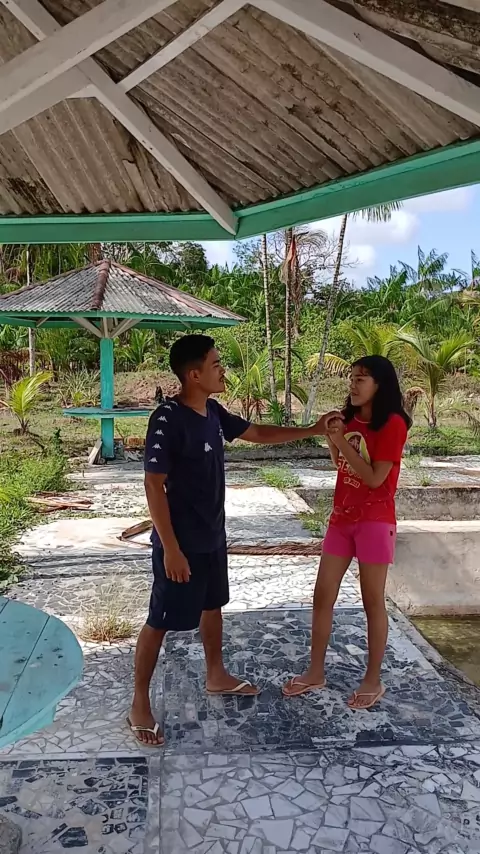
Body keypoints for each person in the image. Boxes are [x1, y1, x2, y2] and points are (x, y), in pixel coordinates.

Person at [128, 334, 342, 745]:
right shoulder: (167, 418)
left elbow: (256, 432)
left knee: (213, 607)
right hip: (180, 543)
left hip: (213, 536)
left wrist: (312, 429)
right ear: (194, 374)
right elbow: (153, 485)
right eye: (215, 364)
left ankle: (216, 674)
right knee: (160, 620)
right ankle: (139, 701)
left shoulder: (212, 411)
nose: (222, 369)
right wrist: (170, 548)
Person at [283, 355, 411, 710]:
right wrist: (333, 437)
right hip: (341, 519)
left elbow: (374, 478)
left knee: (372, 601)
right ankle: (315, 671)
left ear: (380, 384)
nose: (353, 384)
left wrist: (339, 441)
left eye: (361, 379)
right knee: (322, 595)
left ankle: (373, 679)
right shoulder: (351, 420)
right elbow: (341, 464)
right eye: (352, 378)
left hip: (375, 521)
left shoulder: (393, 424)